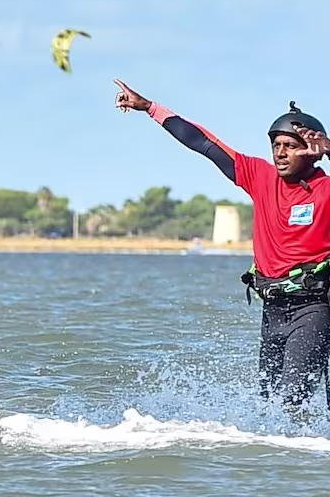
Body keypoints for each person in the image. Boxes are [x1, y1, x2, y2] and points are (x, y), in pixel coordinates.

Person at [114, 78, 330, 410]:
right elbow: (203, 142)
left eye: (291, 145)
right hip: (272, 311)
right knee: (269, 406)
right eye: (277, 146)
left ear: (313, 151)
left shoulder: (325, 189)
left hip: (313, 311)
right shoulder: (260, 176)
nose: (281, 153)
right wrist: (150, 108)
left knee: (291, 404)